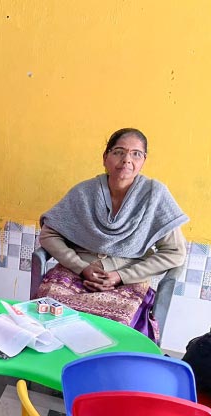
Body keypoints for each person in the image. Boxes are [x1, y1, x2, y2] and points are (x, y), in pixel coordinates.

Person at [36, 128, 188, 340]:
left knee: (117, 328)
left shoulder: (155, 195)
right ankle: (51, 369)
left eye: (136, 154)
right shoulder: (83, 193)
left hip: (128, 276)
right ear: (105, 158)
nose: (127, 160)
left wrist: (121, 277)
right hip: (76, 272)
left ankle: (104, 372)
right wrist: (82, 268)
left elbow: (175, 252)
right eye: (118, 152)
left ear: (143, 161)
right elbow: (49, 234)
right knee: (48, 315)